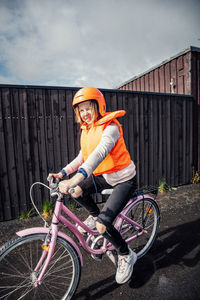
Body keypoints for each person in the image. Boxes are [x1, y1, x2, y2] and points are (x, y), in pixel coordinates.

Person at [48, 87, 137, 284]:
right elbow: (83, 156)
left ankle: (125, 254)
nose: (85, 113)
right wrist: (62, 173)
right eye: (81, 110)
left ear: (99, 107)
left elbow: (98, 156)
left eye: (89, 108)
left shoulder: (110, 128)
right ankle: (96, 214)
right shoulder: (88, 130)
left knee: (102, 226)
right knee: (75, 191)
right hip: (104, 176)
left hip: (124, 179)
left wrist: (75, 178)